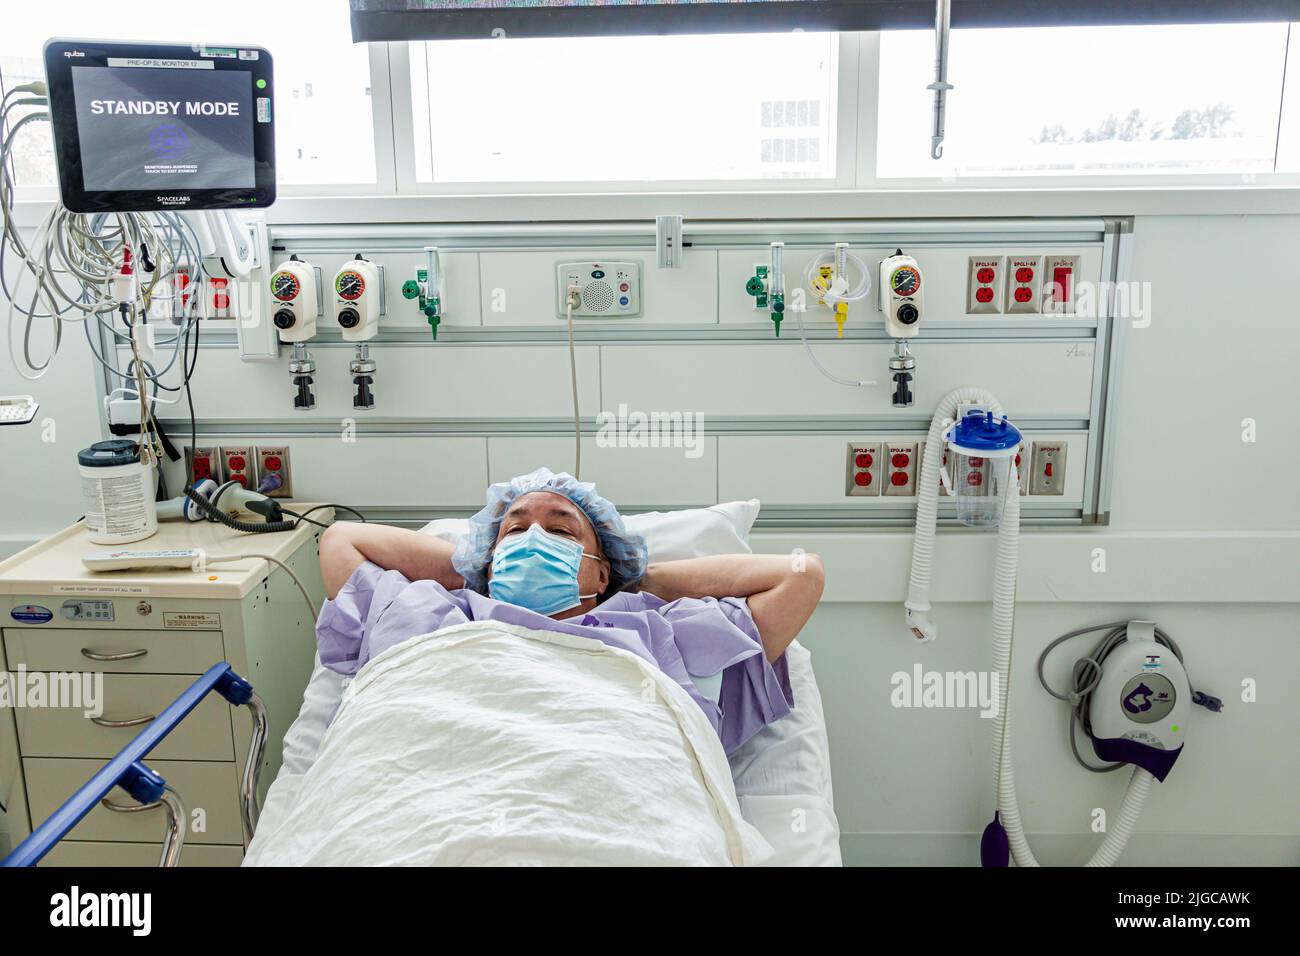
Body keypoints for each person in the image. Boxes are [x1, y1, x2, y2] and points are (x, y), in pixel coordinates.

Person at [316, 467, 825, 753]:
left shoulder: (656, 632)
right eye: (515, 530)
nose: (533, 539)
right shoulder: (434, 612)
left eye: (560, 531)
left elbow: (801, 576)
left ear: (602, 573)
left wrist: (637, 576)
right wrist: (473, 569)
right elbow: (342, 540)